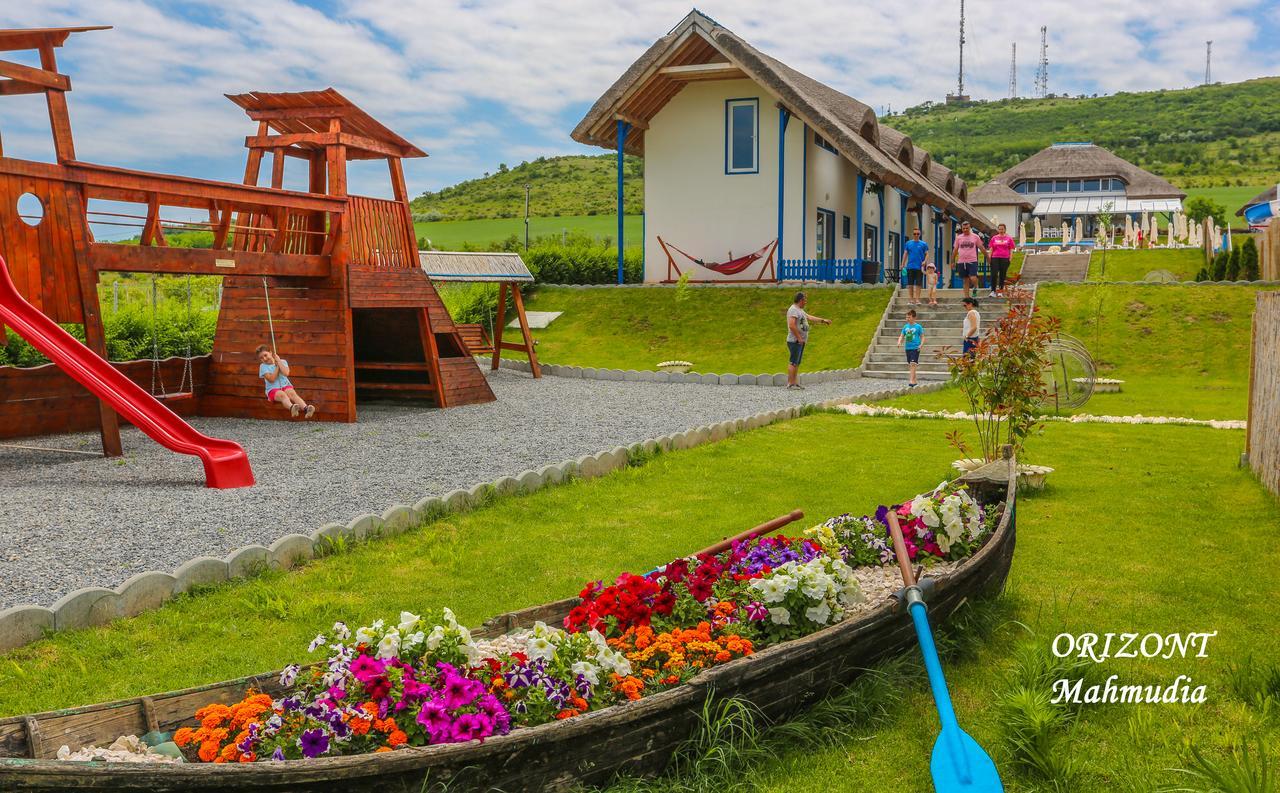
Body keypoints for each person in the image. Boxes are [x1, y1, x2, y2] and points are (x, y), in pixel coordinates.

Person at [785, 292, 831, 390]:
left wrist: (823, 320)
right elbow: (792, 325)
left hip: (800, 341)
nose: (805, 302)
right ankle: (790, 384)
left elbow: (809, 317)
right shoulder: (793, 310)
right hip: (794, 341)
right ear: (801, 300)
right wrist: (799, 338)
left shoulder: (800, 310)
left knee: (797, 362)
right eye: (805, 300)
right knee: (793, 362)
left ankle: (795, 383)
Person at [257, 345, 315, 419]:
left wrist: (279, 362)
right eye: (261, 358)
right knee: (282, 395)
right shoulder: (263, 366)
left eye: (265, 355)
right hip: (272, 389)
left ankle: (306, 409)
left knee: (292, 394)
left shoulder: (283, 361)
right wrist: (277, 367)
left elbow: (286, 373)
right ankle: (292, 408)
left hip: (285, 385)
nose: (264, 358)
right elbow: (272, 379)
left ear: (271, 353)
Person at [953, 221, 984, 302]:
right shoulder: (959, 238)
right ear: (962, 229)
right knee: (965, 280)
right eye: (964, 228)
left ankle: (975, 286)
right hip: (961, 261)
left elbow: (981, 247)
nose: (965, 230)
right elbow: (955, 250)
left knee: (973, 277)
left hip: (972, 260)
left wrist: (987, 257)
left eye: (967, 228)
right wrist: (952, 261)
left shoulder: (975, 237)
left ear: (970, 228)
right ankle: (967, 298)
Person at [900, 228, 929, 305]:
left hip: (919, 267)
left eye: (917, 234)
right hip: (910, 267)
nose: (916, 235)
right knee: (910, 284)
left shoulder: (923, 244)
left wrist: (925, 261)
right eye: (914, 234)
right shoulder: (908, 243)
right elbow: (905, 254)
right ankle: (911, 300)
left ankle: (917, 300)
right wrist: (902, 264)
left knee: (918, 284)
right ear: (913, 234)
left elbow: (927, 254)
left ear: (920, 234)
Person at [986, 223, 1016, 297]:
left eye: (1002, 229)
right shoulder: (994, 238)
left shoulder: (1009, 238)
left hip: (1005, 258)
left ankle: (1000, 291)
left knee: (1002, 275)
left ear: (1005, 229)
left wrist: (1010, 258)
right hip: (995, 258)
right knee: (994, 274)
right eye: (999, 229)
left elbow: (1011, 249)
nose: (1001, 230)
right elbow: (991, 248)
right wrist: (989, 258)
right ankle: (993, 291)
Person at [897, 308, 925, 387]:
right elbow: (902, 335)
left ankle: (911, 381)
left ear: (914, 317)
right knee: (911, 364)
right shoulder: (905, 326)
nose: (907, 319)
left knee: (913, 363)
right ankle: (915, 380)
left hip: (916, 347)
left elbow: (923, 337)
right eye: (906, 317)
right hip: (907, 348)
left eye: (909, 317)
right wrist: (899, 342)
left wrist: (921, 345)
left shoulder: (918, 327)